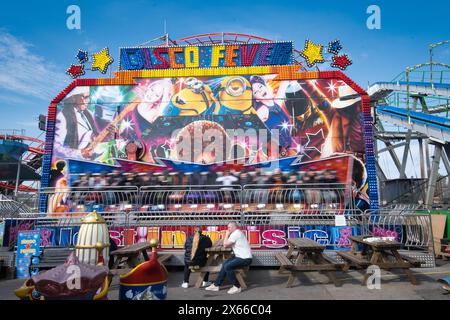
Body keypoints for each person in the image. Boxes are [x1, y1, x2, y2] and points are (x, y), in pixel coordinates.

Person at [205, 222, 252, 294]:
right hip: (241, 257)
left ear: (234, 227)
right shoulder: (237, 233)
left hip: (245, 259)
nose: (228, 229)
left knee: (227, 267)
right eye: (228, 227)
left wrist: (226, 234)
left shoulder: (236, 233)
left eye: (229, 227)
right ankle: (216, 285)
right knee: (225, 263)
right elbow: (228, 244)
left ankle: (237, 287)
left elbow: (225, 245)